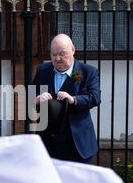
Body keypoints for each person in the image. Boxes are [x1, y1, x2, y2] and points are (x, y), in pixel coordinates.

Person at [33, 33, 100, 163]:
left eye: (62, 54)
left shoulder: (86, 72)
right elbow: (28, 98)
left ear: (73, 50)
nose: (57, 59)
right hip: (49, 143)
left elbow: (95, 97)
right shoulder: (43, 71)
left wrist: (73, 99)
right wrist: (37, 99)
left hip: (78, 144)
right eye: (53, 54)